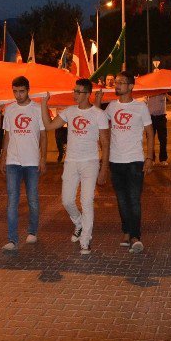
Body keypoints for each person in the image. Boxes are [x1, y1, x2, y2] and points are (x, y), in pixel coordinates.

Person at [40, 79, 110, 255]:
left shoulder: (98, 114)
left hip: (90, 162)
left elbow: (105, 143)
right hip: (71, 162)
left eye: (78, 92)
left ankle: (85, 239)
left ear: (87, 94)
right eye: (74, 91)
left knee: (87, 201)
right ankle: (78, 222)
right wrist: (43, 104)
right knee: (67, 200)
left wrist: (104, 168)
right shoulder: (69, 111)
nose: (74, 94)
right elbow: (49, 125)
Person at [0, 76, 47, 251]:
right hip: (13, 162)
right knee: (12, 201)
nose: (18, 95)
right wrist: (3, 156)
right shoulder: (9, 110)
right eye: (15, 91)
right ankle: (12, 239)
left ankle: (32, 231)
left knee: (32, 199)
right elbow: (7, 134)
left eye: (21, 91)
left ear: (28, 90)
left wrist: (43, 158)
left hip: (32, 161)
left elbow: (44, 135)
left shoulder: (38, 109)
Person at [104, 71, 153, 253]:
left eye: (122, 83)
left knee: (133, 199)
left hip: (135, 160)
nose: (117, 85)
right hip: (115, 161)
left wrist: (149, 157)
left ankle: (135, 236)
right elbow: (99, 121)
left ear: (131, 86)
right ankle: (126, 230)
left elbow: (149, 133)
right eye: (116, 82)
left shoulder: (140, 108)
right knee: (122, 200)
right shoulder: (111, 106)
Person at [145, 93, 169, 166]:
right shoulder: (149, 91)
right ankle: (151, 159)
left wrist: (165, 94)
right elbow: (143, 100)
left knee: (163, 139)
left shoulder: (163, 91)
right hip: (150, 118)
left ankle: (163, 159)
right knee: (150, 139)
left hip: (161, 118)